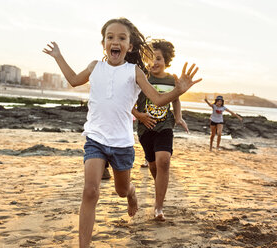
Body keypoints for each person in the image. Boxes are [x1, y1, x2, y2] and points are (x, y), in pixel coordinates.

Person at [43, 17, 201, 248]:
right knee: (90, 191)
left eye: (121, 38)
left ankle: (132, 193)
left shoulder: (134, 71)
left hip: (121, 143)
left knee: (121, 189)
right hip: (95, 139)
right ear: (104, 43)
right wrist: (59, 57)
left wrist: (178, 90)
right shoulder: (94, 67)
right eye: (110, 37)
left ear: (130, 46)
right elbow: (74, 80)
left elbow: (157, 99)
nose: (115, 41)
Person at [132, 39, 188, 221]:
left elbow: (176, 99)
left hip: (165, 126)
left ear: (166, 61)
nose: (154, 62)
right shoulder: (141, 78)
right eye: (150, 58)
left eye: (158, 59)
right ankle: (158, 187)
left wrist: (178, 117)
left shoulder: (172, 80)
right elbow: (127, 103)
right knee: (154, 165)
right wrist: (139, 116)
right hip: (145, 128)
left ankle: (159, 207)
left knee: (163, 161)